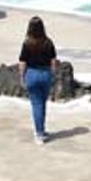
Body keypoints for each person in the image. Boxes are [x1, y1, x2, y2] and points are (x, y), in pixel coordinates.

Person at [18, 15, 58, 144]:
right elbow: (53, 61)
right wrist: (53, 74)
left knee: (36, 104)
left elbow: (22, 62)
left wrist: (22, 77)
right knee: (42, 103)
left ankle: (39, 133)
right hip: (45, 73)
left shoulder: (27, 43)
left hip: (32, 74)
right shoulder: (48, 42)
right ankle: (41, 130)